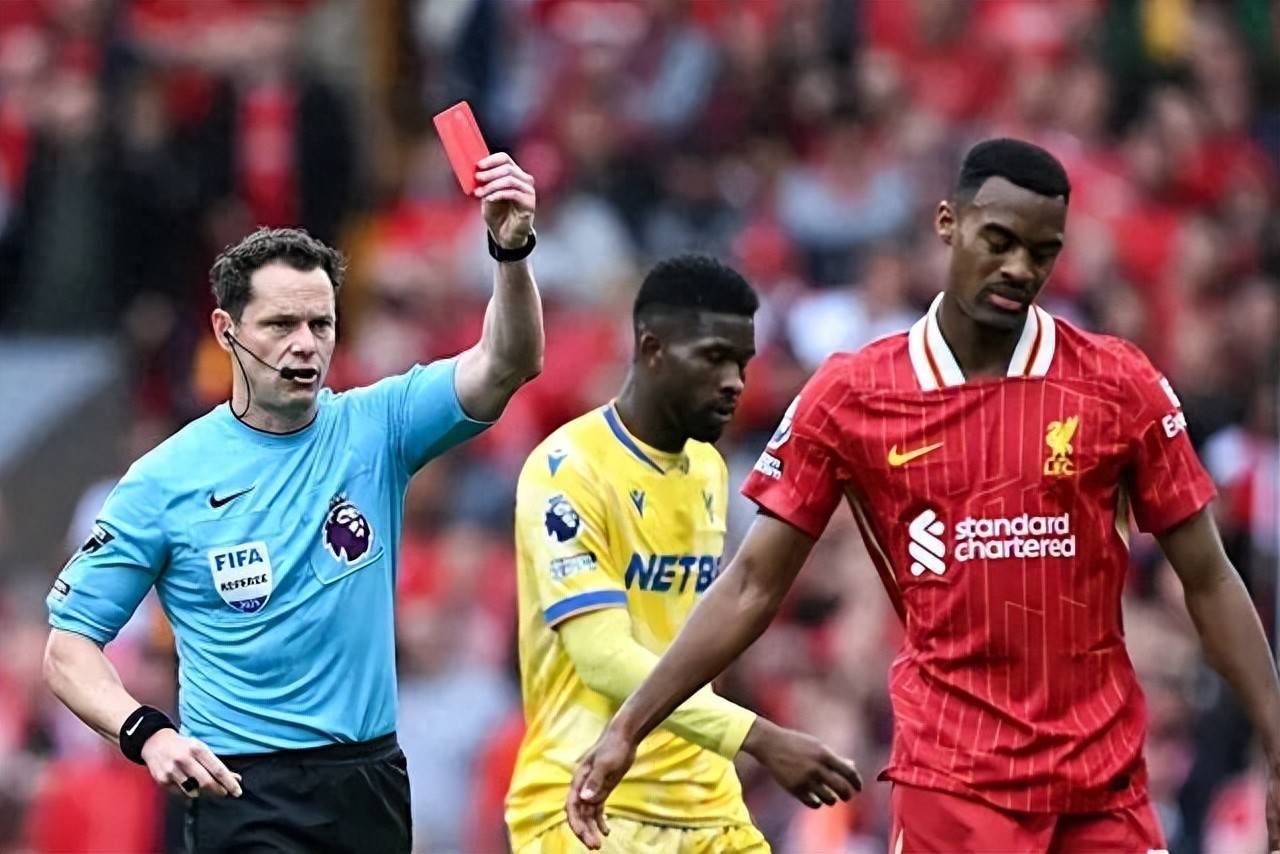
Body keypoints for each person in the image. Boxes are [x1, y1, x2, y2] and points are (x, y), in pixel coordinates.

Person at [565, 139, 1280, 853]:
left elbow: (1210, 577)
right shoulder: (854, 394)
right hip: (954, 786)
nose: (1019, 268)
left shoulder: (1116, 383)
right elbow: (752, 584)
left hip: (1103, 790)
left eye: (1042, 252)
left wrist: (1277, 739)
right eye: (998, 241)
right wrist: (629, 725)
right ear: (947, 223)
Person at [42, 151, 542, 853]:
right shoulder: (165, 479)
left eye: (321, 324)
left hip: (368, 781)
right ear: (226, 331)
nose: (306, 345)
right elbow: (68, 648)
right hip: (243, 788)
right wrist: (145, 733)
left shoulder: (378, 426)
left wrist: (511, 252)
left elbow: (507, 361)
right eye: (281, 325)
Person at [508, 254, 860, 853]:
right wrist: (757, 736)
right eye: (714, 358)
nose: (735, 382)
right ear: (652, 349)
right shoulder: (567, 470)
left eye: (742, 363)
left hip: (706, 803)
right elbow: (602, 658)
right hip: (588, 802)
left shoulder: (707, 469)